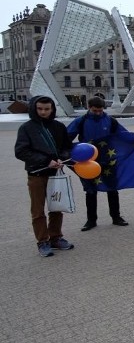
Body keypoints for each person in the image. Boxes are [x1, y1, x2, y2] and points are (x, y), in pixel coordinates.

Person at [14, 96, 74, 257]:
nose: (43, 112)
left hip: (55, 174)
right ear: (34, 108)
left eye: (47, 109)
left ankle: (55, 237)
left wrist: (62, 157)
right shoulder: (26, 128)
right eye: (40, 109)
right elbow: (21, 151)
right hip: (36, 174)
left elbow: (67, 147)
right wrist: (46, 161)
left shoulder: (59, 126)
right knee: (38, 210)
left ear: (52, 109)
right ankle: (42, 241)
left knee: (56, 207)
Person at [66, 96, 129, 230]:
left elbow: (124, 135)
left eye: (100, 111)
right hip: (88, 162)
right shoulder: (80, 121)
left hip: (108, 160)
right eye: (95, 111)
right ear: (88, 108)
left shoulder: (110, 121)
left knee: (112, 189)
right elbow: (65, 139)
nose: (98, 113)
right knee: (90, 191)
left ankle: (116, 217)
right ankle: (91, 220)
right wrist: (69, 153)